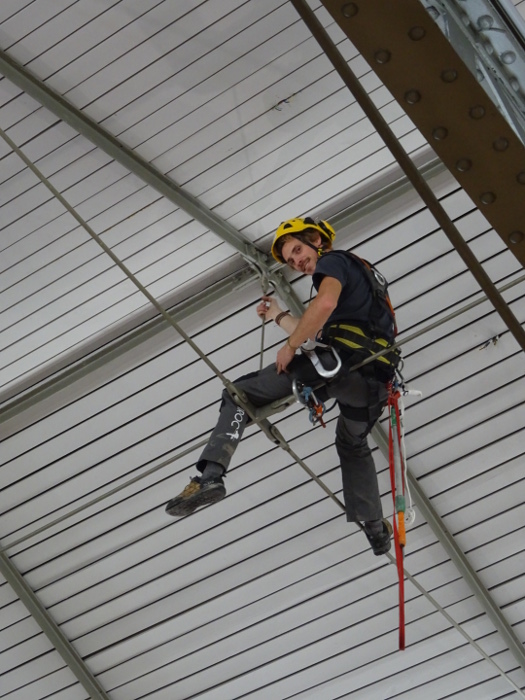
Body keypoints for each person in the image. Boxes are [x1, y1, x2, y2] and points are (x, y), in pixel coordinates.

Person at [165, 217, 400, 555]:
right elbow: (318, 331)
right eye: (291, 260)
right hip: (372, 382)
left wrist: (289, 347)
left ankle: (210, 476)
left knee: (238, 394)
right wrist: (278, 316)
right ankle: (376, 528)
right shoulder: (362, 282)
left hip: (341, 365)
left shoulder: (333, 261)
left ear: (316, 239)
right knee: (352, 443)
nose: (298, 262)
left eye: (298, 250)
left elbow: (324, 306)